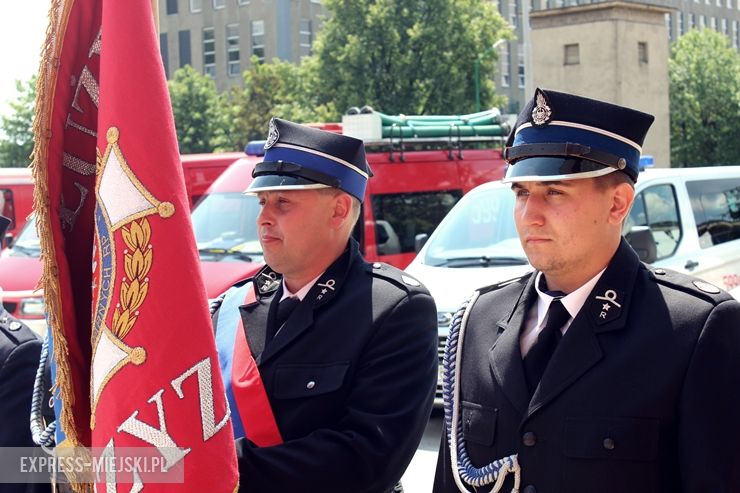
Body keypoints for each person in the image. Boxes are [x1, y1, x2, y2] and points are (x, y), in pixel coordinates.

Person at [433, 88, 740, 493]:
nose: (530, 215)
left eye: (555, 192)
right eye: (522, 193)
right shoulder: (480, 318)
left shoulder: (693, 330)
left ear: (617, 204)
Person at [211, 118, 438, 493]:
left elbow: (366, 457)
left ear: (338, 211)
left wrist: (221, 467)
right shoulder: (235, 303)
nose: (263, 218)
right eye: (263, 201)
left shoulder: (392, 310)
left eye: (283, 202)